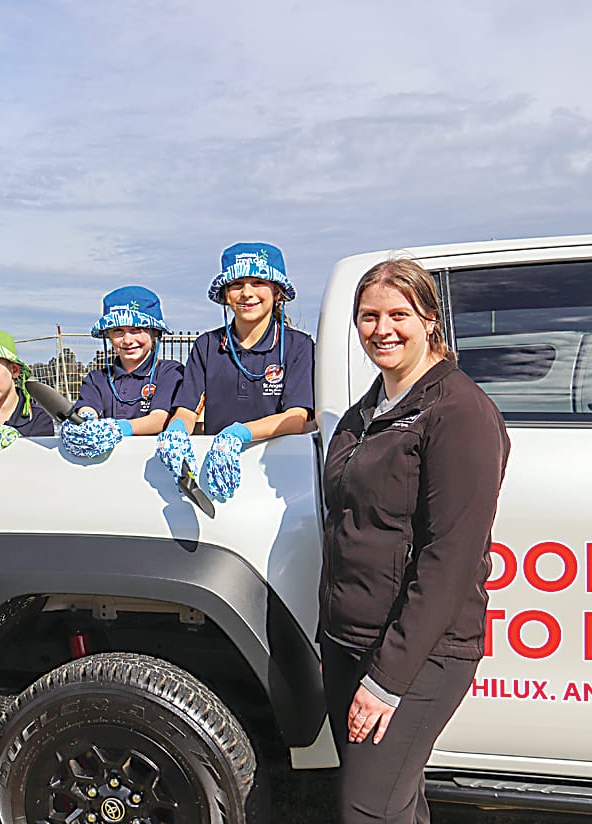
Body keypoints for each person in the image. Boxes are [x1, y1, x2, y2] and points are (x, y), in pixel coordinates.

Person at [320, 259, 510, 823]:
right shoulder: (367, 411)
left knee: (367, 810)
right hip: (349, 640)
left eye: (399, 314)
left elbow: (451, 559)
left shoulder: (459, 413)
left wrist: (388, 679)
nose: (383, 329)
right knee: (396, 803)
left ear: (430, 319)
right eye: (369, 316)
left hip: (417, 653)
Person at [156, 242, 315, 501]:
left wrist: (237, 434)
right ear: (225, 294)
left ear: (277, 292)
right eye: (237, 284)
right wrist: (176, 432)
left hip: (279, 476)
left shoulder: (299, 346)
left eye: (258, 282)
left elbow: (296, 418)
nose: (247, 293)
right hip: (216, 472)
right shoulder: (207, 345)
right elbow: (187, 409)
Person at [60, 285, 184, 458]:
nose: (127, 340)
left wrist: (120, 428)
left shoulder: (170, 372)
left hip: (153, 465)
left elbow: (160, 418)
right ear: (108, 335)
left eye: (136, 330)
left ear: (154, 331)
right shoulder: (96, 379)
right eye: (118, 330)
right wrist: (85, 420)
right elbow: (88, 409)